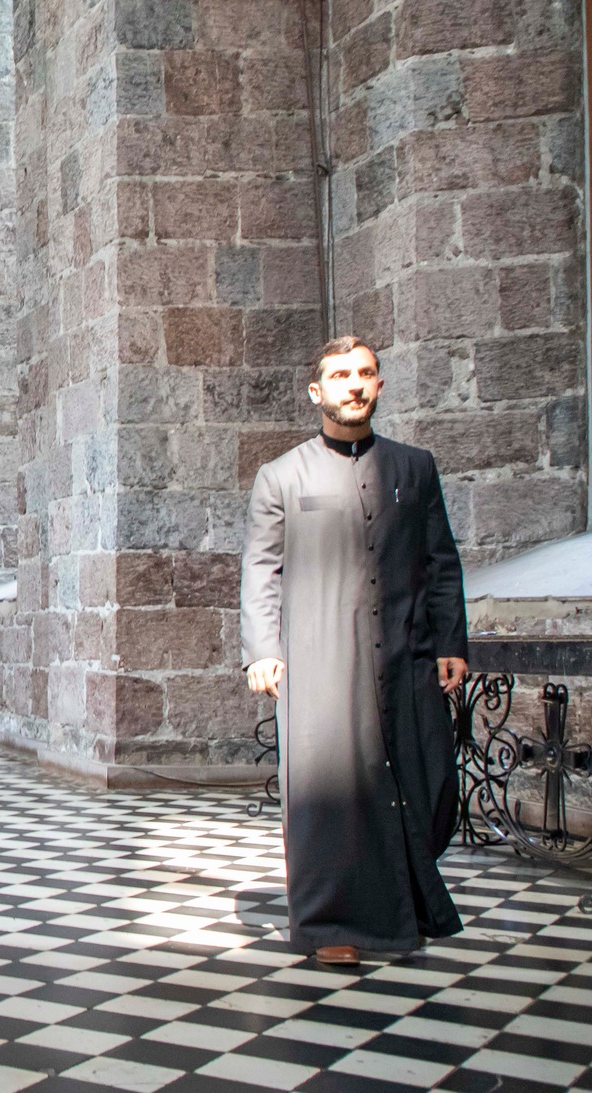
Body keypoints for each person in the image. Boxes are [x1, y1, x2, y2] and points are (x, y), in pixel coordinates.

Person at [240, 336, 469, 966]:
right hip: (321, 660)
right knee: (329, 797)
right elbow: (261, 569)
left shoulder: (414, 468)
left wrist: (450, 640)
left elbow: (440, 560)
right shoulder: (281, 476)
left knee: (426, 781)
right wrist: (263, 650)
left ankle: (406, 903)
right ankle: (330, 924)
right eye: (340, 375)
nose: (355, 384)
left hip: (406, 653)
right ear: (317, 391)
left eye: (365, 373)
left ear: (379, 385)